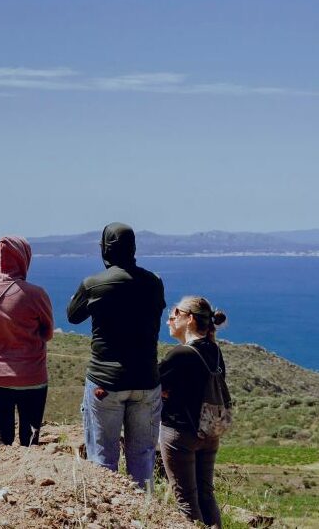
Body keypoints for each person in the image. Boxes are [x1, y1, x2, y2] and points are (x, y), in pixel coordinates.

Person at [67, 222, 166, 488]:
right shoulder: (154, 283)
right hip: (146, 380)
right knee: (143, 458)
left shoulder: (93, 285)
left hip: (105, 382)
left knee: (102, 459)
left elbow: (72, 315)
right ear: (133, 249)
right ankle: (144, 516)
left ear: (104, 249)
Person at [0, 236, 54, 446]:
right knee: (30, 439)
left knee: (3, 438)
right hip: (31, 376)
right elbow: (48, 333)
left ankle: (2, 479)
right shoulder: (37, 294)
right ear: (24, 258)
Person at [159, 297, 229, 528]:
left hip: (180, 434)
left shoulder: (180, 354)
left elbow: (153, 386)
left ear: (189, 319)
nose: (169, 320)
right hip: (210, 431)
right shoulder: (214, 350)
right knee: (206, 495)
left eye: (174, 314)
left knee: (186, 500)